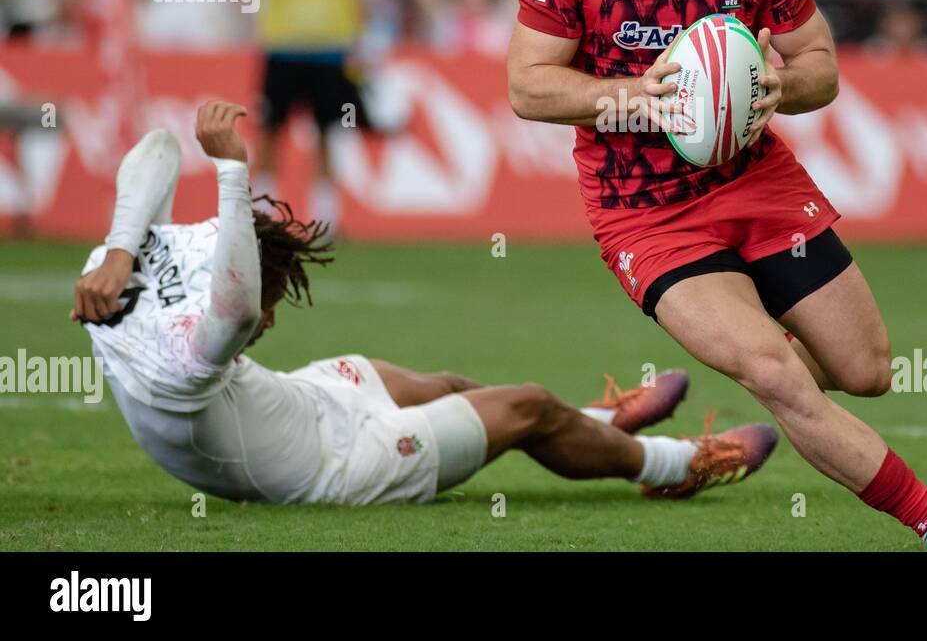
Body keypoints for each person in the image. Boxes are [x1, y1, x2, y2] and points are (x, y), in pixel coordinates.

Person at [506, 0, 927, 551]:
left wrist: (782, 84)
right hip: (646, 211)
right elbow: (527, 88)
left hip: (756, 179)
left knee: (865, 371)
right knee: (780, 374)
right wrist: (635, 96)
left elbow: (821, 63)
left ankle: (762, 364)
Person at [70, 102, 777, 506]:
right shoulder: (186, 355)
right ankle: (669, 465)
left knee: (450, 387)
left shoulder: (115, 273)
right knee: (525, 404)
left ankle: (596, 424)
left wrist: (122, 248)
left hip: (298, 401)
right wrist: (231, 169)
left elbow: (156, 149)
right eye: (271, 301)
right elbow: (234, 311)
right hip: (341, 469)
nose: (270, 317)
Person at [243, 0, 370, 233]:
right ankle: (260, 216)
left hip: (333, 41)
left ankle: (327, 219)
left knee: (329, 129)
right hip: (284, 40)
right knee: (271, 130)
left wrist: (363, 35)